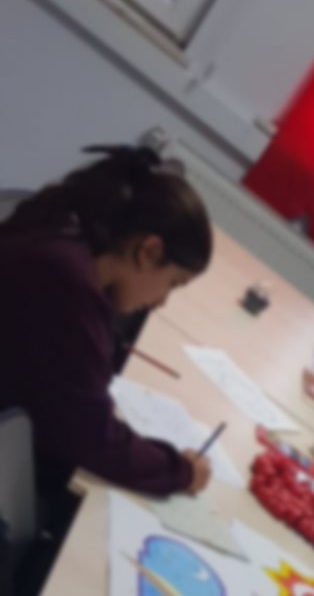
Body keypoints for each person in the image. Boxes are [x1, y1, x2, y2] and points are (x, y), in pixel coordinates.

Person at [0, 143, 214, 503]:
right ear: (149, 251)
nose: (161, 302)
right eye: (172, 284)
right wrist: (180, 470)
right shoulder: (69, 286)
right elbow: (93, 441)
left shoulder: (67, 233)